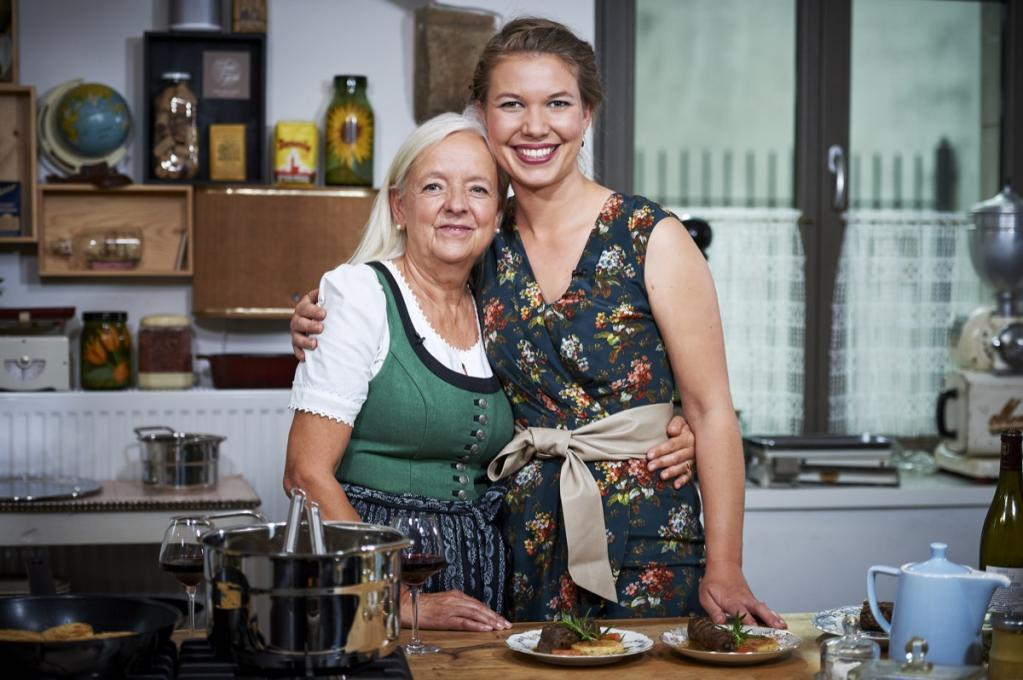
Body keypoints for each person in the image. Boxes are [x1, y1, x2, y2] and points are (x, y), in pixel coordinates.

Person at [292, 17, 780, 627]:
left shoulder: (651, 238)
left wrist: (726, 565)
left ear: (587, 114)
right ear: (482, 115)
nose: (535, 126)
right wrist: (318, 314)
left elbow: (711, 411)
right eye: (511, 104)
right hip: (522, 544)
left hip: (647, 537)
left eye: (558, 103)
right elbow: (400, 297)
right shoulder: (480, 239)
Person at [284, 110, 696, 632]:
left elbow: (575, 392)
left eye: (477, 189)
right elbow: (305, 473)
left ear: (497, 211)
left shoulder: (495, 306)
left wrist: (671, 428)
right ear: (399, 206)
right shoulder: (358, 295)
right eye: (434, 186)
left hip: (487, 590)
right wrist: (396, 599)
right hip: (372, 590)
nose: (457, 204)